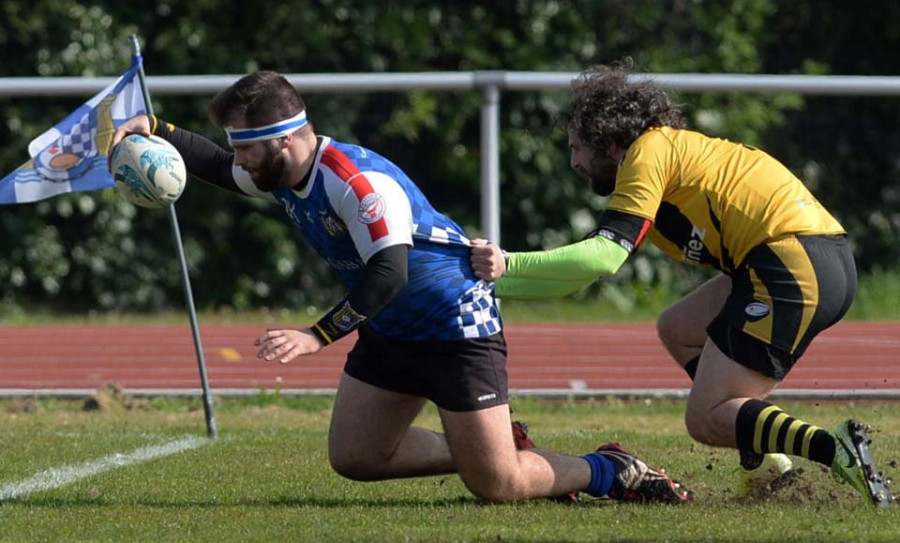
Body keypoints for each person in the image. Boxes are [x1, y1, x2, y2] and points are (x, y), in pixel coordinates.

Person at [109, 71, 691, 504]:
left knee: (500, 484)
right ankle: (488, 446)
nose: (238, 157)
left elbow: (391, 273)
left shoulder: (356, 184)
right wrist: (156, 129)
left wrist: (317, 336)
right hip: (391, 324)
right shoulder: (281, 170)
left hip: (452, 321)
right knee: (356, 458)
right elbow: (216, 167)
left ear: (283, 141)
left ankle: (607, 470)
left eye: (245, 145)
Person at [470, 60, 894, 508]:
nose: (573, 161)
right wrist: (496, 288)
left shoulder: (646, 153)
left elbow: (602, 257)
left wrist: (507, 265)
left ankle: (833, 447)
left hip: (791, 264)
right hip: (812, 258)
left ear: (611, 143)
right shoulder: (667, 154)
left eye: (577, 147)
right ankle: (767, 456)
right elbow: (582, 274)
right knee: (679, 327)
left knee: (705, 418)